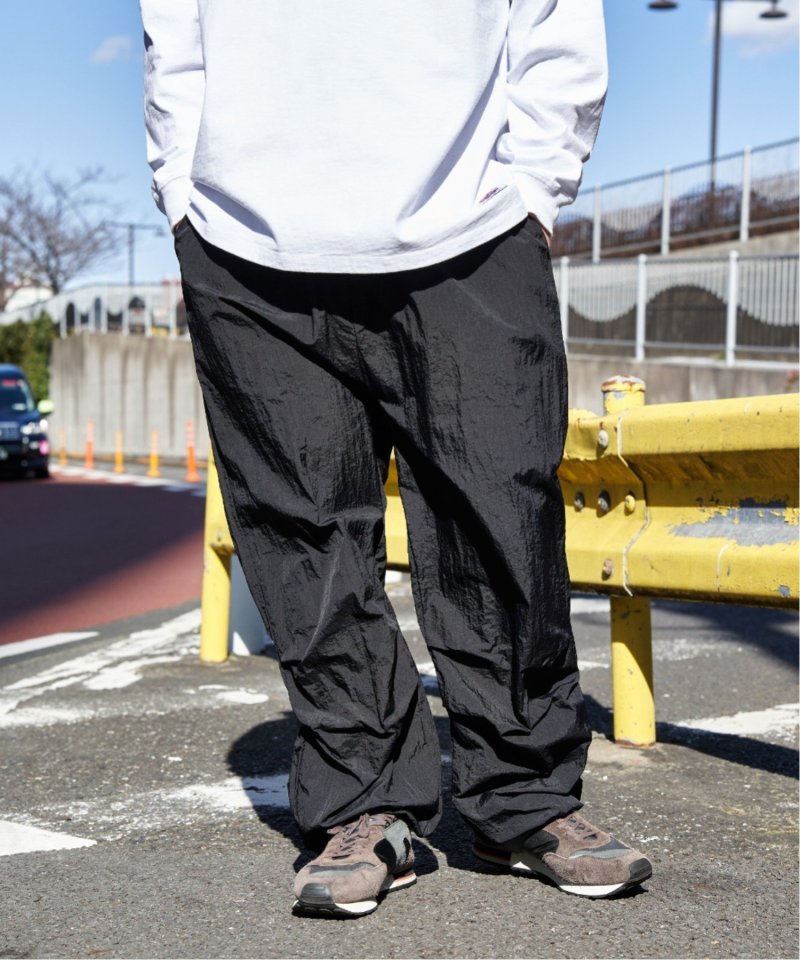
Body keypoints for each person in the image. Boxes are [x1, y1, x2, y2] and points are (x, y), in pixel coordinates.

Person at [140, 0, 652, 919]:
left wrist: (536, 190)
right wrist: (183, 192)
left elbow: (556, 21)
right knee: (303, 537)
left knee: (501, 517)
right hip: (243, 240)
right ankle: (361, 801)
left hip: (473, 225)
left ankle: (524, 796)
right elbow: (172, 32)